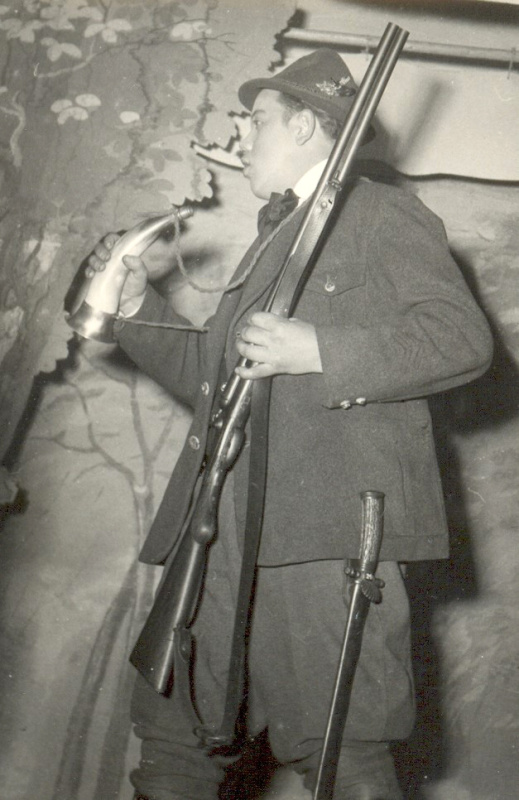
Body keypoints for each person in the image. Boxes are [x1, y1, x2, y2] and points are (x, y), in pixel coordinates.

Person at [88, 49, 493, 800]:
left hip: (321, 534)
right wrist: (139, 308)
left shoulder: (378, 214)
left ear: (305, 126)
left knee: (341, 748)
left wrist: (320, 350)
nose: (242, 136)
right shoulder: (276, 234)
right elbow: (219, 380)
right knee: (174, 744)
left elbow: (461, 339)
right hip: (218, 529)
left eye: (257, 120)